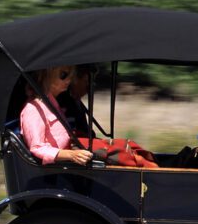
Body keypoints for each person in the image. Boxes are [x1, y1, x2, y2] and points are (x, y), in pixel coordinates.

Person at [21, 64, 158, 168]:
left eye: (70, 75)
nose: (69, 80)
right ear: (45, 76)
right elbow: (37, 148)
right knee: (117, 153)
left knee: (124, 148)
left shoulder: (52, 105)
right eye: (63, 75)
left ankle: (148, 164)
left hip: (72, 157)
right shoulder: (33, 110)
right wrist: (71, 155)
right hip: (60, 167)